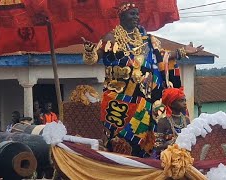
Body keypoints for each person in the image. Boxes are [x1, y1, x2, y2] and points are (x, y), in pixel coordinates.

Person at [82, 2, 203, 157]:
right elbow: (92, 59)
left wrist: (182, 51)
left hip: (145, 99)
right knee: (117, 139)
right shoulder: (109, 38)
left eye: (137, 14)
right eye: (132, 13)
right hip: (118, 100)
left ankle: (143, 165)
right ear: (121, 15)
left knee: (145, 139)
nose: (136, 17)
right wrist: (89, 49)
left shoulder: (148, 40)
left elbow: (162, 57)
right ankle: (118, 165)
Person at [154, 87, 190, 159]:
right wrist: (169, 144)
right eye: (181, 101)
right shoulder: (163, 122)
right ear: (172, 103)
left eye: (185, 100)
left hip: (185, 158)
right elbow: (157, 147)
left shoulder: (186, 120)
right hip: (168, 160)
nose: (185, 103)